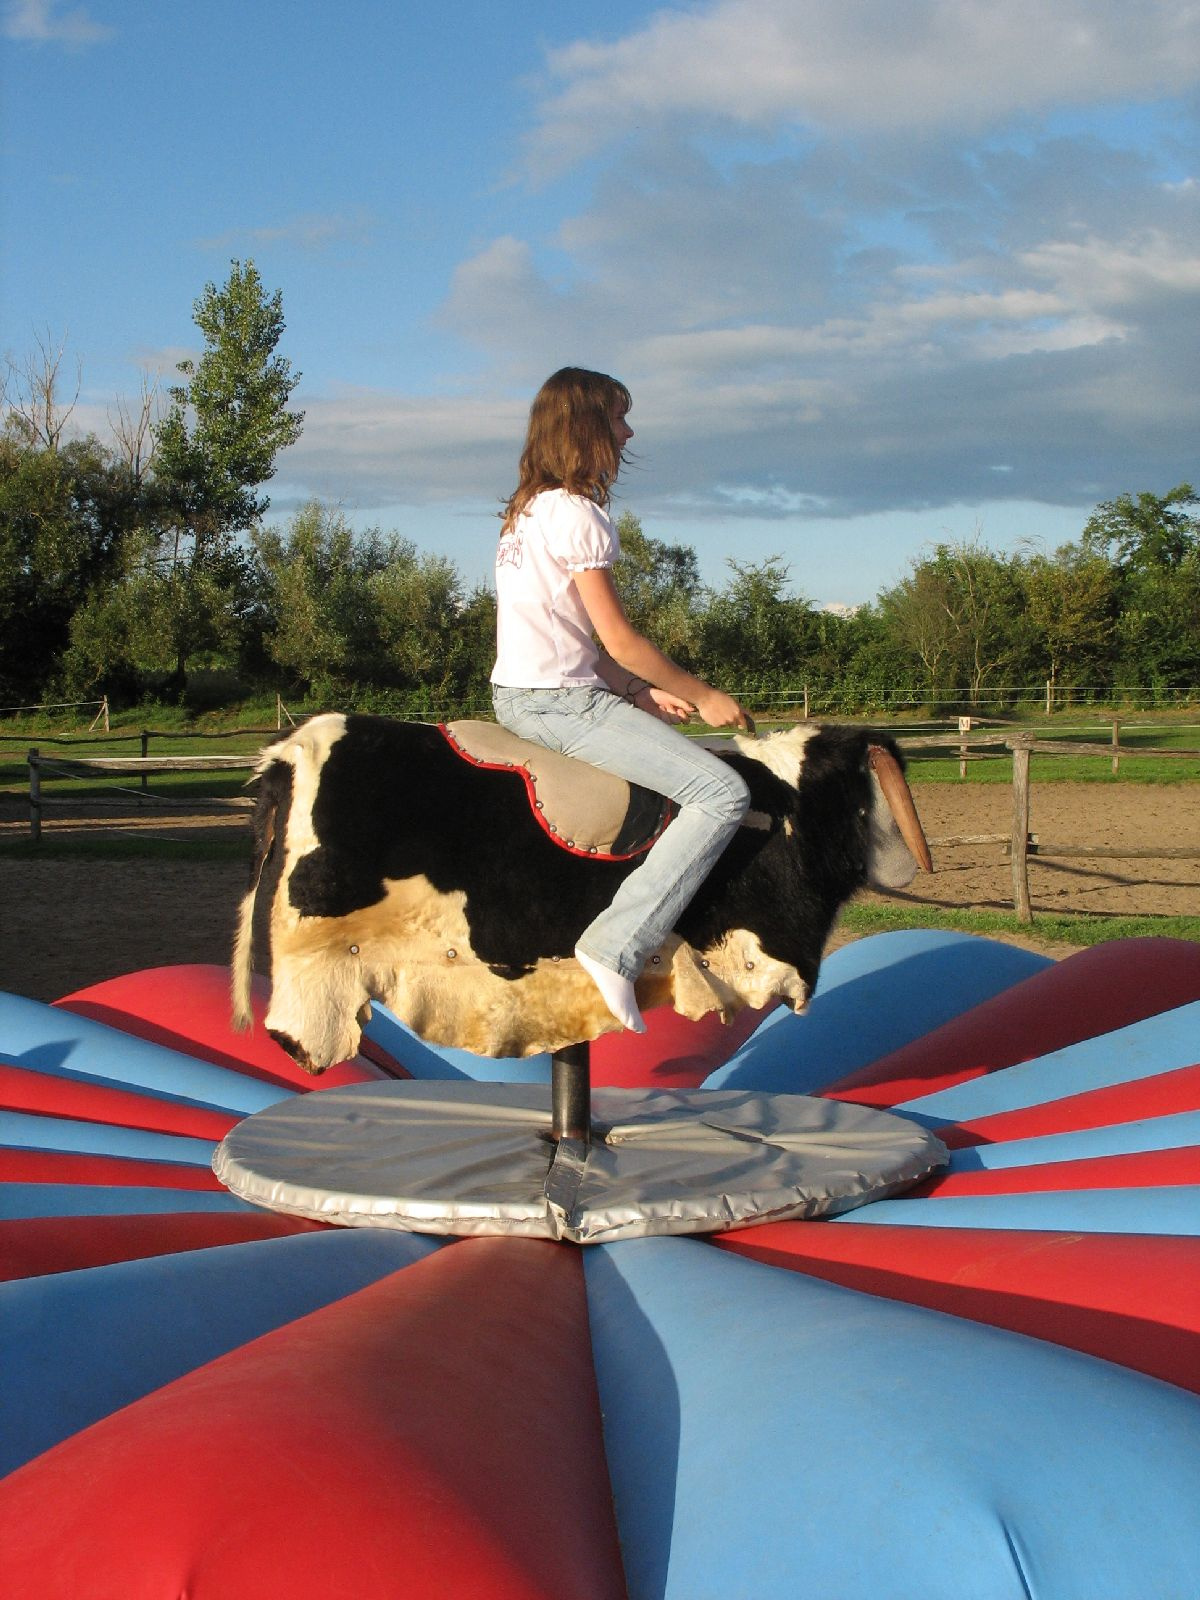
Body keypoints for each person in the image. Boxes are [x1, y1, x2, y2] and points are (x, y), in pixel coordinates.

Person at [490, 366, 752, 1033]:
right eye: (618, 417)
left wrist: (639, 691)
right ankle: (616, 946)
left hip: (525, 693)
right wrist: (706, 694)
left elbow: (578, 640)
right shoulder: (578, 515)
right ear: (587, 427)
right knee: (722, 794)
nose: (629, 431)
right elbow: (622, 640)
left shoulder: (527, 512)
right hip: (561, 704)